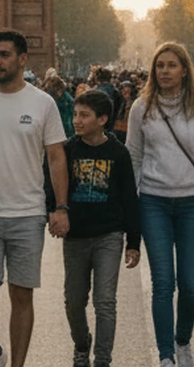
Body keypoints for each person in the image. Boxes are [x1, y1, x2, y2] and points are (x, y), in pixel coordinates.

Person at [0, 31, 70, 367]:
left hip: (28, 214)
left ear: (22, 59)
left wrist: (60, 207)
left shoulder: (42, 103)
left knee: (21, 295)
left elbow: (56, 158)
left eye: (3, 55)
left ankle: (18, 364)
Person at [127, 41, 194, 367]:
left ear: (185, 69)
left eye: (171, 65)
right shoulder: (140, 107)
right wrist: (129, 209)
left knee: (189, 284)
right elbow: (133, 157)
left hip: (192, 203)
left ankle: (183, 340)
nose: (164, 71)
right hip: (153, 203)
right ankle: (166, 356)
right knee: (163, 283)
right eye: (159, 65)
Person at [49, 89, 140, 367]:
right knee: (74, 301)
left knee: (105, 302)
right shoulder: (66, 150)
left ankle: (102, 358)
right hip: (75, 237)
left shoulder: (118, 153)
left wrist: (134, 242)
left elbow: (129, 199)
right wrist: (53, 213)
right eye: (75, 114)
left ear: (102, 119)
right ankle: (81, 344)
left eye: (84, 115)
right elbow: (50, 187)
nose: (76, 120)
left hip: (108, 236)